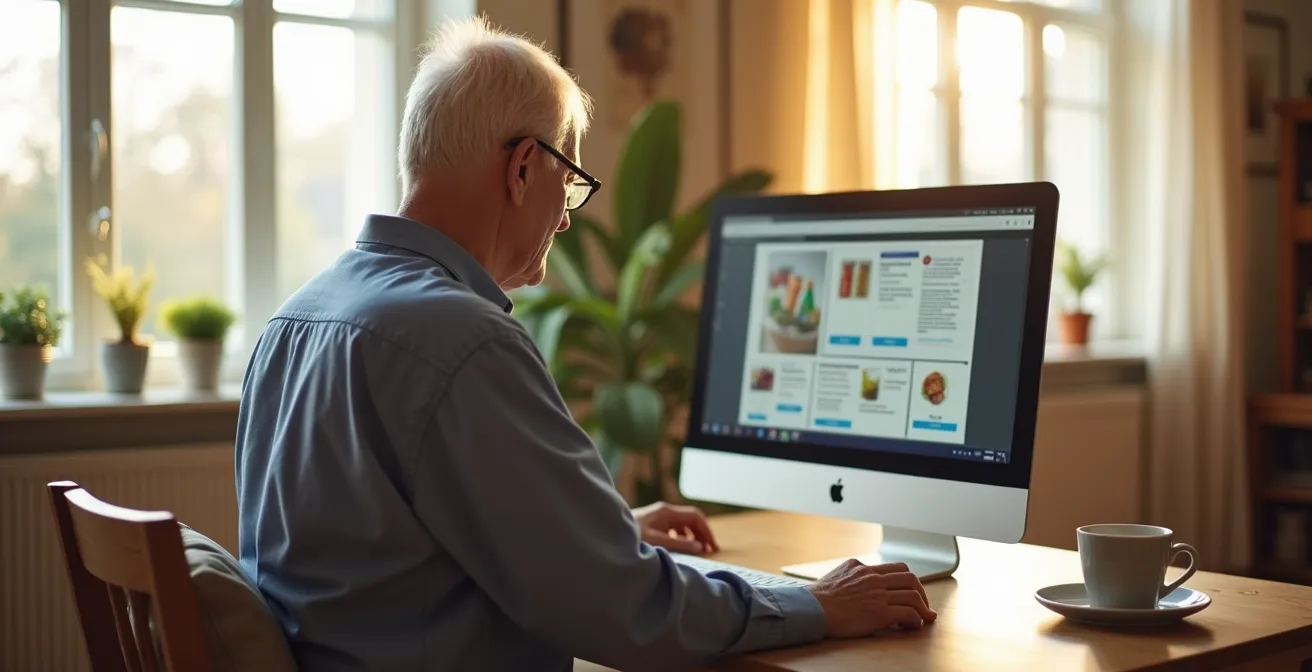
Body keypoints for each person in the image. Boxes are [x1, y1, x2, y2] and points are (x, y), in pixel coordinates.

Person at [233, 15, 936, 672]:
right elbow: (625, 610)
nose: (565, 221)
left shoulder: (294, 321)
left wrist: (593, 530)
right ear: (520, 170)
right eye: (568, 184)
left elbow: (380, 553)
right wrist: (817, 603)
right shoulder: (463, 339)